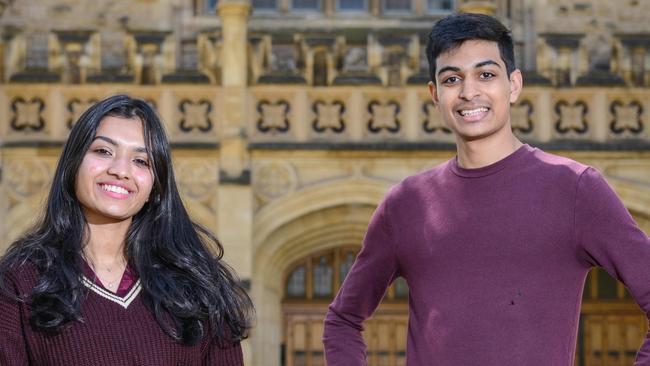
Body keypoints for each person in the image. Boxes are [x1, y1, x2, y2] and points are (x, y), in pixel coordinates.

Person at [323, 13, 650, 365]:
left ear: (514, 85)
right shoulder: (406, 204)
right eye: (452, 79)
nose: (468, 92)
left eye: (486, 74)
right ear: (435, 94)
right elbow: (342, 320)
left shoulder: (575, 189)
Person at [0, 94, 254, 365]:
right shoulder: (20, 282)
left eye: (141, 161)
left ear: (155, 187)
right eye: (103, 151)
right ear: (74, 164)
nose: (121, 171)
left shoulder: (199, 291)